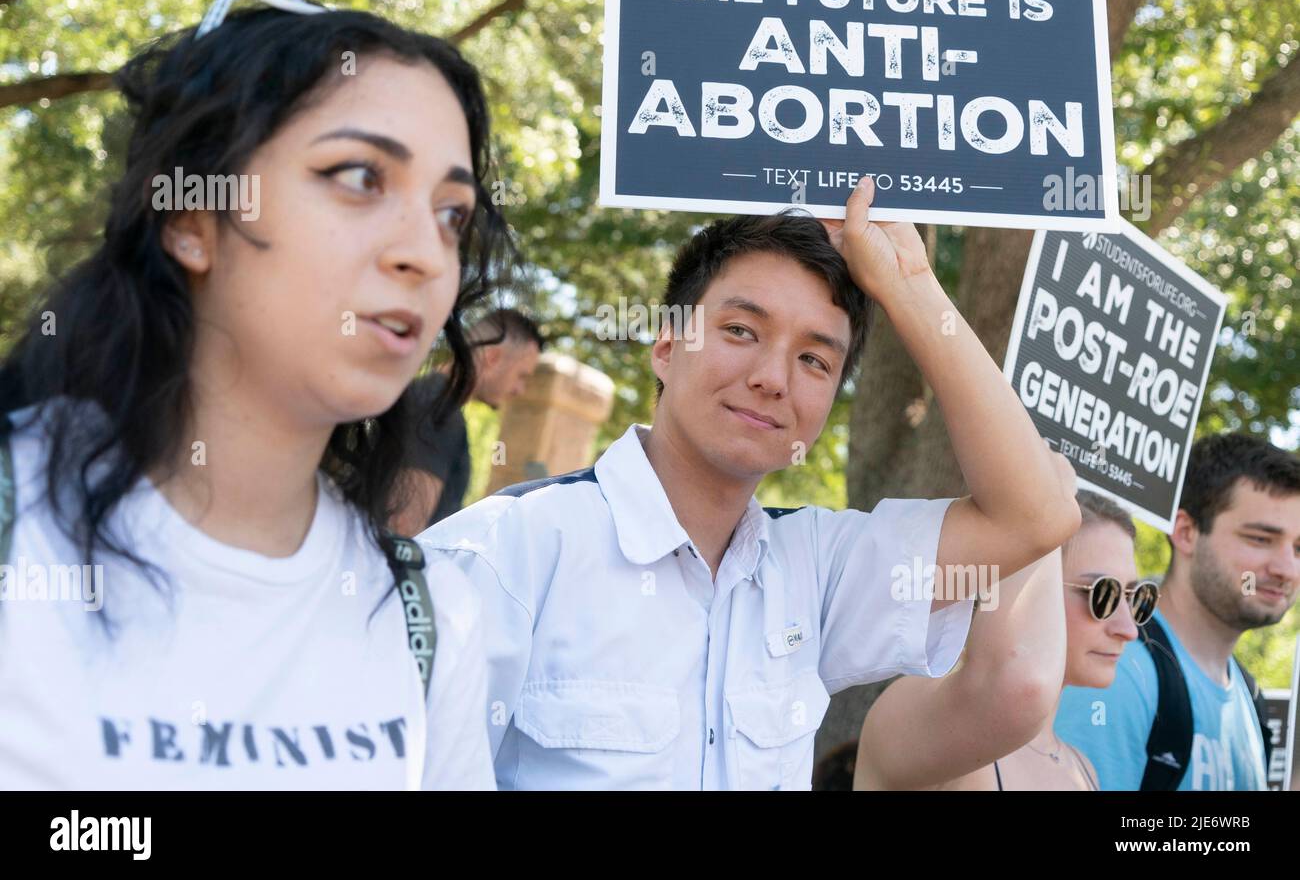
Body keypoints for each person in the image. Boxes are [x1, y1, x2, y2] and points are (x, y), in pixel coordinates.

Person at [0, 0, 515, 789]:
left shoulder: (431, 619)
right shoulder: (18, 525)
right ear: (191, 219)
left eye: (453, 214)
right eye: (357, 176)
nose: (423, 251)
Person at [424, 177, 1081, 790]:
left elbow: (1034, 518)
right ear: (666, 346)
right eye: (741, 330)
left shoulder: (818, 572)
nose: (773, 376)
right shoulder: (502, 556)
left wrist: (908, 282)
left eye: (814, 360)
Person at [854, 490, 1154, 790]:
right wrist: (1042, 502)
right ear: (1018, 578)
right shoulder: (910, 717)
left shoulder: (1082, 769)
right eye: (1102, 594)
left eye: (1136, 597)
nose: (1128, 629)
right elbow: (1017, 682)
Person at [1055, 433, 1300, 790]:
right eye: (1260, 539)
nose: (1286, 569)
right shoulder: (1115, 667)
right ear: (1186, 532)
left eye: (1298, 548)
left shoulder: (1247, 696)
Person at [389, 309, 542, 535]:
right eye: (521, 375)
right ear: (493, 358)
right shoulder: (438, 410)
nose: (520, 390)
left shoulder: (432, 399)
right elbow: (402, 528)